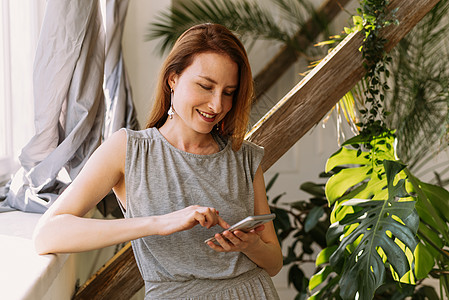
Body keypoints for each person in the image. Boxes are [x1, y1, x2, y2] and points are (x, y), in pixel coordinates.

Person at [33, 23, 283, 299]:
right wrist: (158, 223)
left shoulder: (244, 156)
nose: (217, 105)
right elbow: (47, 234)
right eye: (205, 86)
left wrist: (250, 245)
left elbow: (273, 263)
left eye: (228, 92)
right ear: (172, 79)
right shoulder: (128, 149)